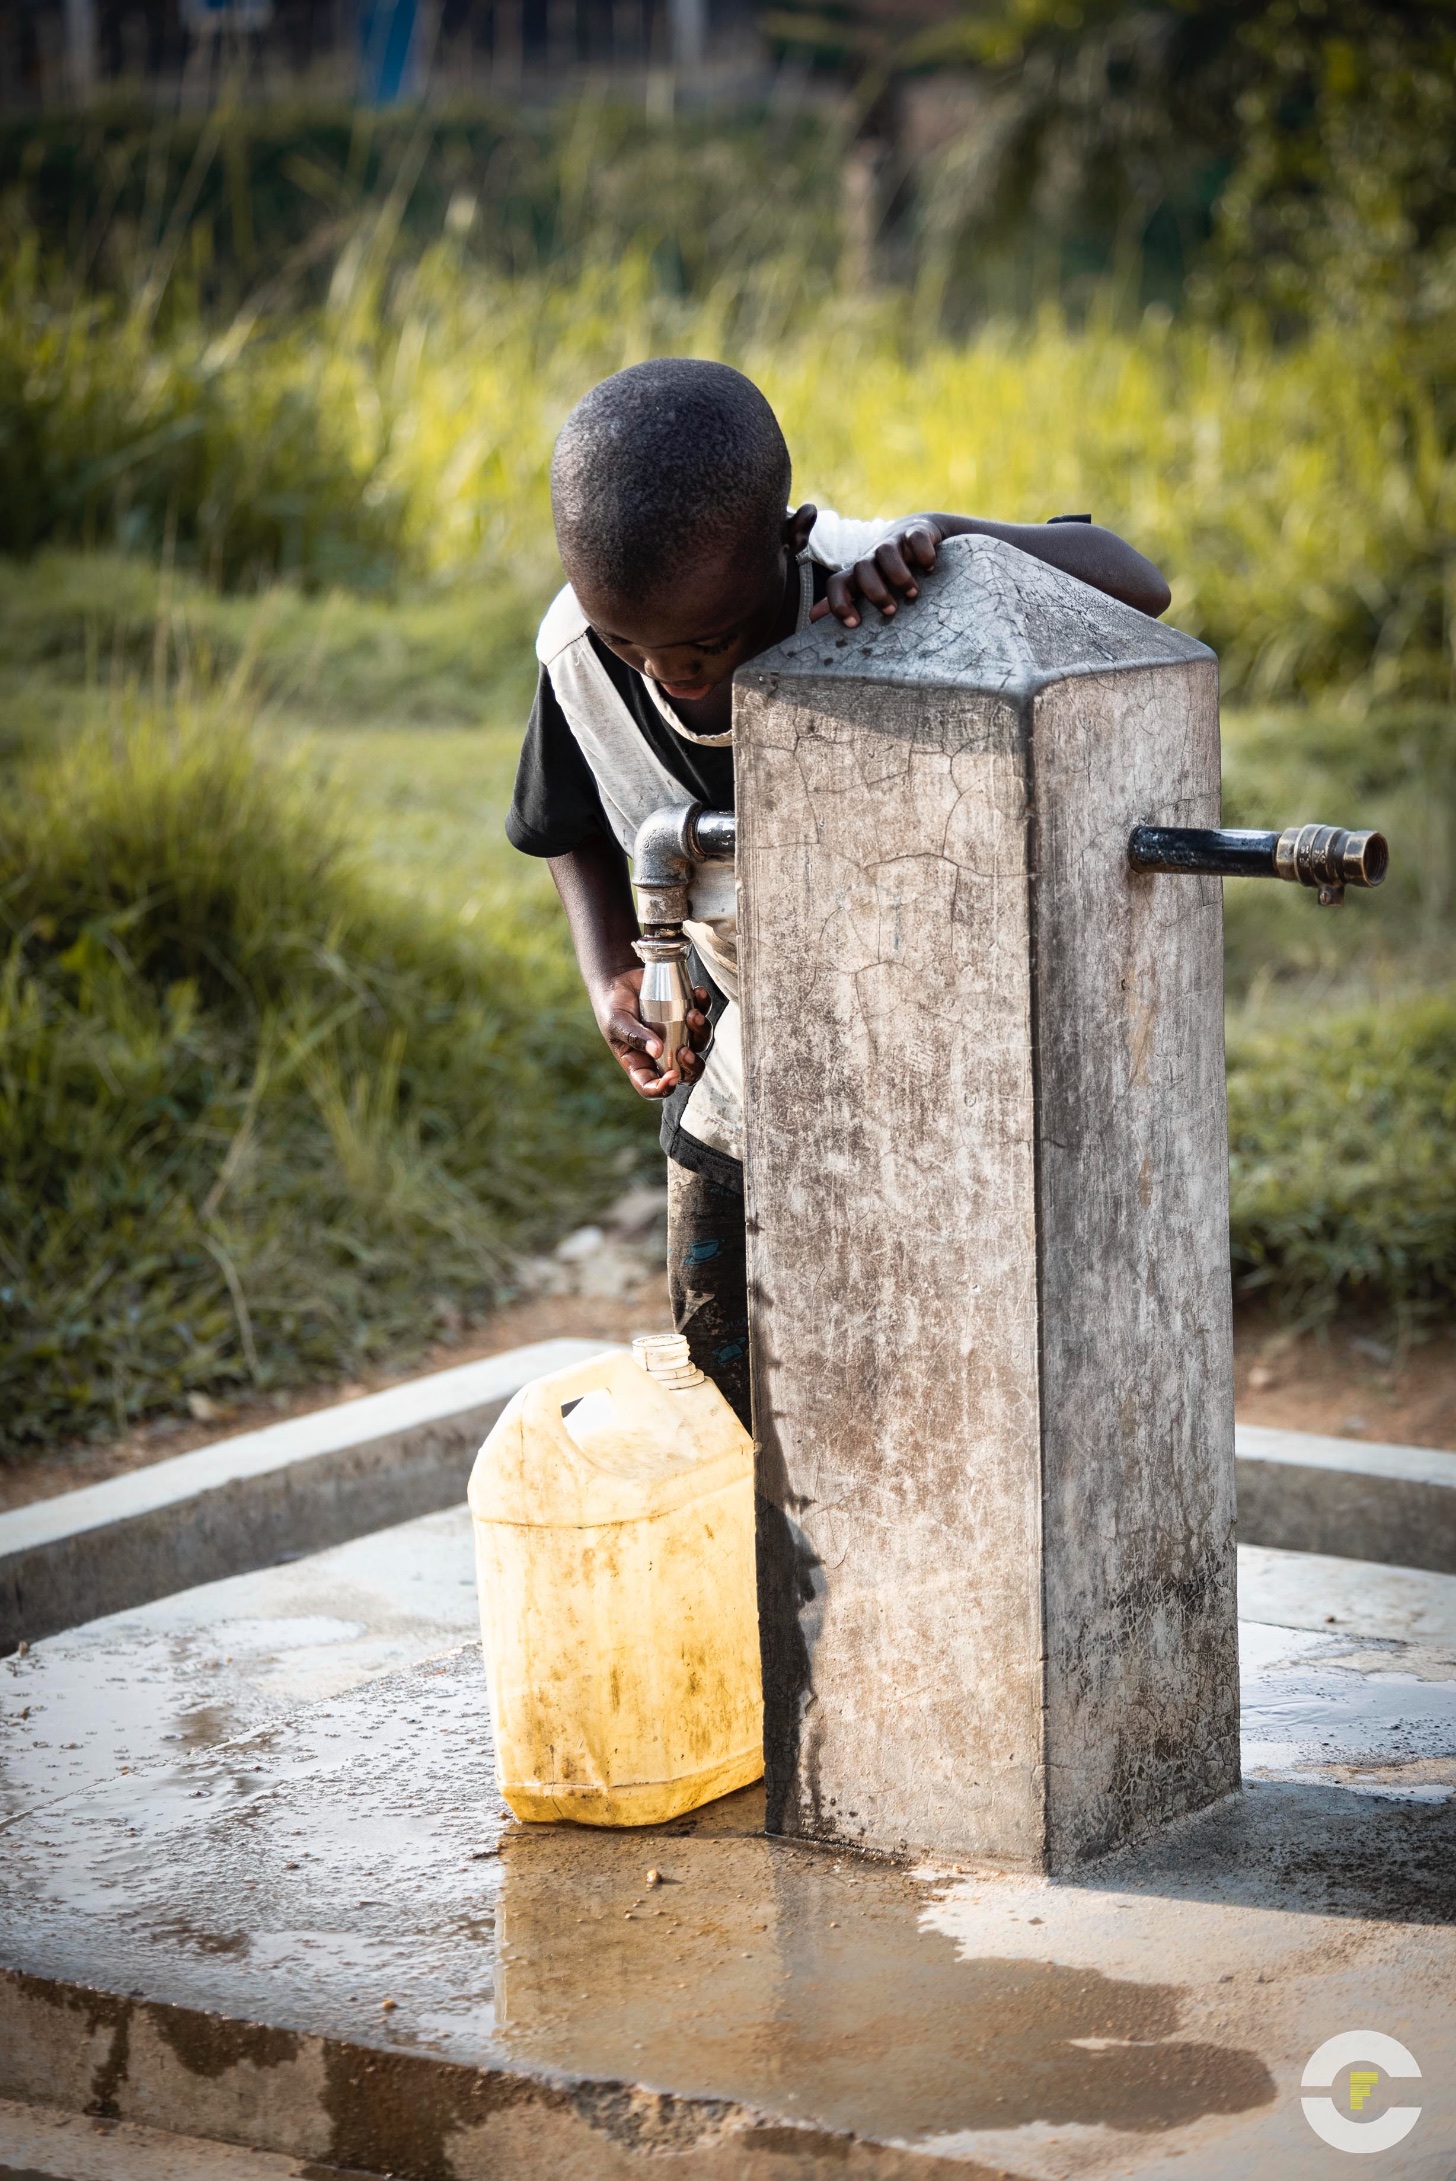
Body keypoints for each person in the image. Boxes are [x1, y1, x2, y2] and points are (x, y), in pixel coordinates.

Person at [506, 358, 1172, 1428]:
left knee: (949, 1343)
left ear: (788, 539)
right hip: (742, 1042)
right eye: (635, 644)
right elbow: (566, 825)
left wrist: (948, 538)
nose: (670, 672)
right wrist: (607, 971)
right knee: (726, 1337)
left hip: (949, 1047)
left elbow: (1136, 583)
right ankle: (767, 1554)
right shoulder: (580, 654)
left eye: (706, 642)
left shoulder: (880, 580)